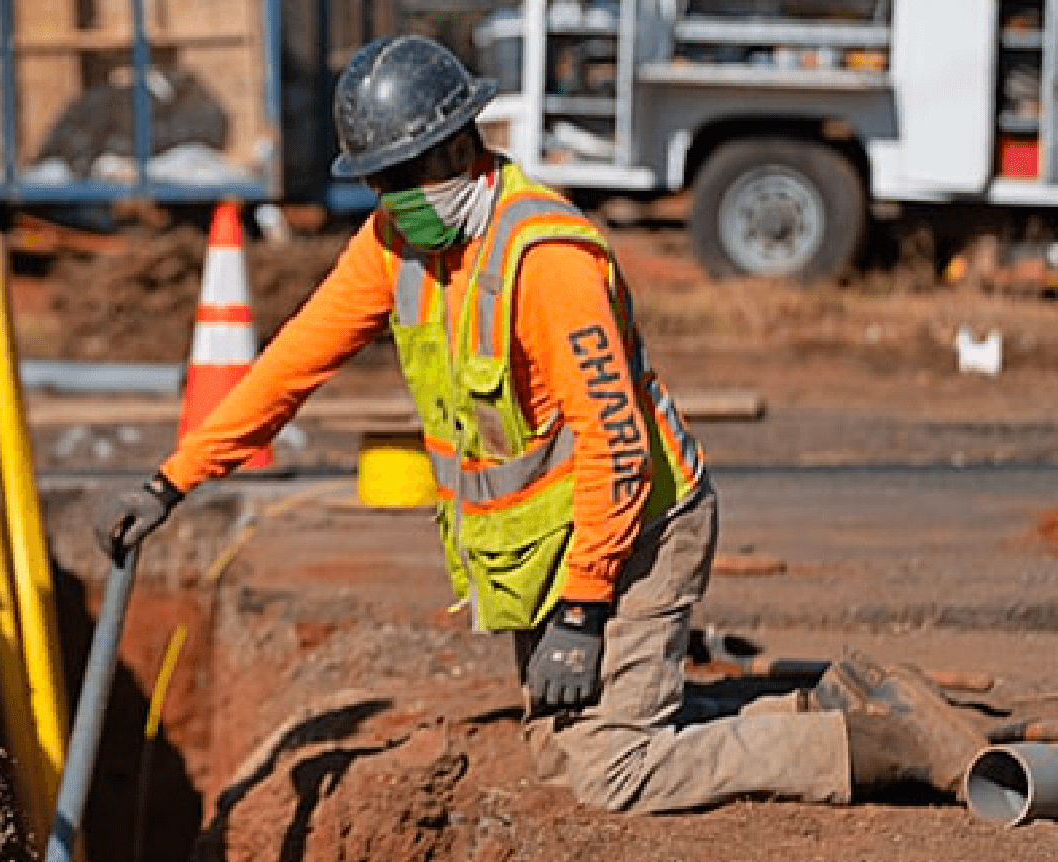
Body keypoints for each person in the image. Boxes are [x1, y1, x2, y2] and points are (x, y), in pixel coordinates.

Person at [92, 35, 985, 814]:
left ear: (457, 148)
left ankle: (877, 749)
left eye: (403, 176)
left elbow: (617, 446)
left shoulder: (545, 258)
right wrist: (172, 480)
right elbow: (289, 367)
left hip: (640, 524)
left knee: (615, 773)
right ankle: (825, 705)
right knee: (559, 749)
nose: (390, 198)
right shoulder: (398, 245)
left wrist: (585, 609)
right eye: (378, 181)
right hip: (553, 539)